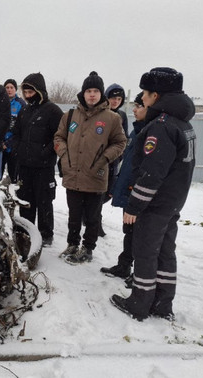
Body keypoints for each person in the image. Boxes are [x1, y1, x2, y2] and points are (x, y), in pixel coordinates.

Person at [110, 67, 197, 321]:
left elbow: (151, 173)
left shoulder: (161, 127)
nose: (142, 98)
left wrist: (134, 206)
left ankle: (140, 302)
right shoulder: (183, 123)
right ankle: (162, 302)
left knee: (146, 251)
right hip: (172, 203)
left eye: (145, 93)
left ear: (156, 96)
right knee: (165, 252)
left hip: (156, 204)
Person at [53, 71, 126, 264]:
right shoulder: (70, 115)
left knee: (92, 218)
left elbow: (120, 143)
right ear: (83, 93)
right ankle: (72, 244)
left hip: (96, 175)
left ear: (101, 94)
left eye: (95, 91)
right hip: (73, 173)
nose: (91, 94)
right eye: (88, 91)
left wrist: (104, 159)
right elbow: (58, 137)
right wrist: (64, 155)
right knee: (74, 215)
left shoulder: (112, 118)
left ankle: (88, 248)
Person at [100, 92, 147, 282]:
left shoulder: (152, 132)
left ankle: (141, 275)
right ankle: (124, 265)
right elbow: (129, 164)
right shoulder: (138, 131)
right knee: (129, 232)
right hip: (130, 190)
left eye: (138, 106)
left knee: (141, 236)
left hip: (139, 194)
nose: (134, 110)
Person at [13, 73, 63, 245]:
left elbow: (59, 136)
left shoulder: (53, 111)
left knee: (44, 201)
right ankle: (26, 231)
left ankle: (46, 234)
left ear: (39, 91)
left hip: (44, 166)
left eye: (31, 92)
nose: (27, 95)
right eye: (25, 92)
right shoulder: (24, 110)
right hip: (25, 165)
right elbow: (17, 133)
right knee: (25, 201)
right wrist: (18, 149)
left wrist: (46, 151)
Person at [95, 83, 130, 237]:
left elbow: (125, 139)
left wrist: (118, 155)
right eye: (112, 98)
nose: (115, 101)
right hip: (99, 160)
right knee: (96, 192)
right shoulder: (101, 113)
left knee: (109, 192)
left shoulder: (121, 116)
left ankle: (92, 215)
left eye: (119, 98)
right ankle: (95, 221)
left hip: (114, 161)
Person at [2, 78, 26, 181]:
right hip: (0, 146)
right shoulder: (0, 102)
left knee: (13, 176)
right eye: (7, 87)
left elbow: (22, 127)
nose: (9, 90)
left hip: (14, 147)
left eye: (11, 87)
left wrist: (10, 143)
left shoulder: (21, 104)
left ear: (15, 89)